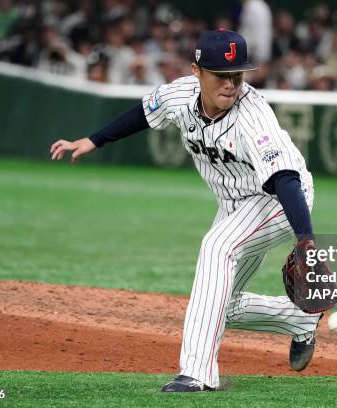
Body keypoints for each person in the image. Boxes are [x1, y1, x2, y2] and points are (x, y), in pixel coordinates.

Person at [50, 29, 322, 392]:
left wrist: (306, 240)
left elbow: (285, 178)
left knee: (217, 247)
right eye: (221, 75)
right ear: (197, 71)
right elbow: (144, 114)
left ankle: (197, 374)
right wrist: (94, 140)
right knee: (221, 305)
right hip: (233, 204)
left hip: (280, 200)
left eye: (237, 75)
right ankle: (299, 319)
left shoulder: (253, 115)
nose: (230, 83)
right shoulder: (179, 95)